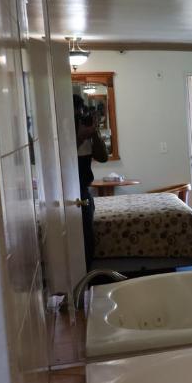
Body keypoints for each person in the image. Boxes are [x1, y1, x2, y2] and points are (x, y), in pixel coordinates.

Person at [74, 94, 109, 270]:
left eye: (81, 114)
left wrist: (93, 132)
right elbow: (61, 158)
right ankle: (84, 274)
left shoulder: (87, 134)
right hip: (73, 193)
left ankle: (88, 271)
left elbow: (103, 157)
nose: (79, 118)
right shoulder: (63, 135)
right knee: (84, 238)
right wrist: (79, 137)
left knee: (89, 237)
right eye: (76, 115)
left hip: (84, 192)